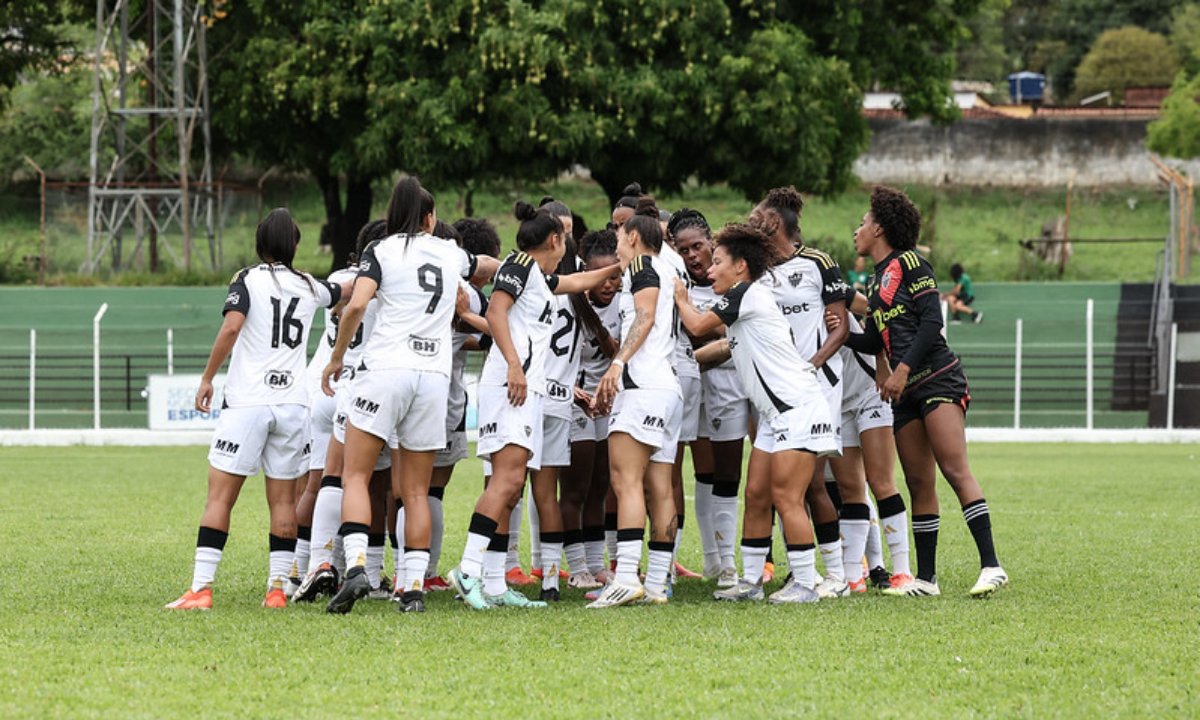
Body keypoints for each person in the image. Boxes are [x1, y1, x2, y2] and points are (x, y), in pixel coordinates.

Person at [319, 177, 497, 614]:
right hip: (432, 378)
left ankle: (357, 566)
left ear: (392, 216)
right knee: (415, 491)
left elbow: (357, 305)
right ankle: (413, 589)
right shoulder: (450, 252)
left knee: (356, 476)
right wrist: (520, 268)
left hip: (385, 370)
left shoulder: (380, 251)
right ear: (430, 219)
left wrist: (337, 356)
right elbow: (488, 266)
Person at [166, 208, 349, 610]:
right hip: (293, 405)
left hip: (248, 402)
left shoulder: (247, 279)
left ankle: (201, 589)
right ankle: (276, 590)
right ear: (295, 245)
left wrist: (207, 378)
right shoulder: (310, 286)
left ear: (259, 243)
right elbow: (346, 289)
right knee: (283, 501)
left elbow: (232, 326)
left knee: (220, 497)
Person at [447, 201, 621, 610]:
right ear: (555, 239)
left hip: (528, 390)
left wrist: (619, 267)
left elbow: (578, 282)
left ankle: (494, 585)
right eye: (566, 238)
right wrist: (514, 365)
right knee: (506, 481)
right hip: (511, 387)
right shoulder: (519, 265)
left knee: (511, 488)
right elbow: (496, 311)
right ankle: (468, 570)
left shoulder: (541, 278)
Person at [845, 185, 1007, 598]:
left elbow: (933, 322)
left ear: (879, 228)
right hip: (905, 393)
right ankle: (926, 579)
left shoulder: (912, 263)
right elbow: (874, 339)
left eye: (862, 222)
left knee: (954, 469)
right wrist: (840, 332)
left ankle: (991, 566)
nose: (856, 230)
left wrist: (900, 371)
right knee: (918, 481)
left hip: (937, 378)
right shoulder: (875, 280)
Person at [674, 222, 838, 604]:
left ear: (741, 266)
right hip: (774, 416)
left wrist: (679, 295)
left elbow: (696, 325)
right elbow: (723, 349)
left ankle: (806, 583)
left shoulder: (746, 293)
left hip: (796, 409)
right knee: (757, 494)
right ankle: (750, 582)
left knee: (787, 497)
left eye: (717, 262)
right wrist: (684, 363)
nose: (710, 270)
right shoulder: (749, 302)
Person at [747, 186, 850, 599]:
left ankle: (837, 575)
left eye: (756, 216)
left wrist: (812, 365)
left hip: (815, 387)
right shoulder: (756, 270)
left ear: (773, 221)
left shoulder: (818, 263)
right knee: (775, 486)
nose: (751, 221)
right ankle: (799, 573)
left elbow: (841, 325)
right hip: (775, 393)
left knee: (812, 484)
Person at [586, 196, 684, 608]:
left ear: (632, 237)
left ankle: (625, 576)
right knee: (660, 487)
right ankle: (657, 583)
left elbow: (644, 316)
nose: (616, 243)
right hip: (668, 388)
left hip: (643, 384)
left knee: (625, 480)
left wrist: (618, 363)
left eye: (618, 236)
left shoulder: (642, 264)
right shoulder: (669, 266)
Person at [671, 207, 750, 585]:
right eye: (683, 250)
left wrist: (707, 333)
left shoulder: (732, 285)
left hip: (727, 385)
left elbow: (722, 334)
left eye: (698, 247)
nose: (692, 256)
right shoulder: (675, 284)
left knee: (726, 474)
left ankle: (726, 563)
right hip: (686, 388)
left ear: (711, 242)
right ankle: (702, 560)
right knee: (696, 474)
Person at [564, 230, 622, 588]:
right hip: (576, 403)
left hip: (607, 403)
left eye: (614, 276)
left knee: (601, 483)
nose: (608, 284)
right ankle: (576, 567)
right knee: (576, 486)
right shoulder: (570, 304)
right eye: (601, 276)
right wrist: (577, 393)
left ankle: (596, 563)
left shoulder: (625, 302)